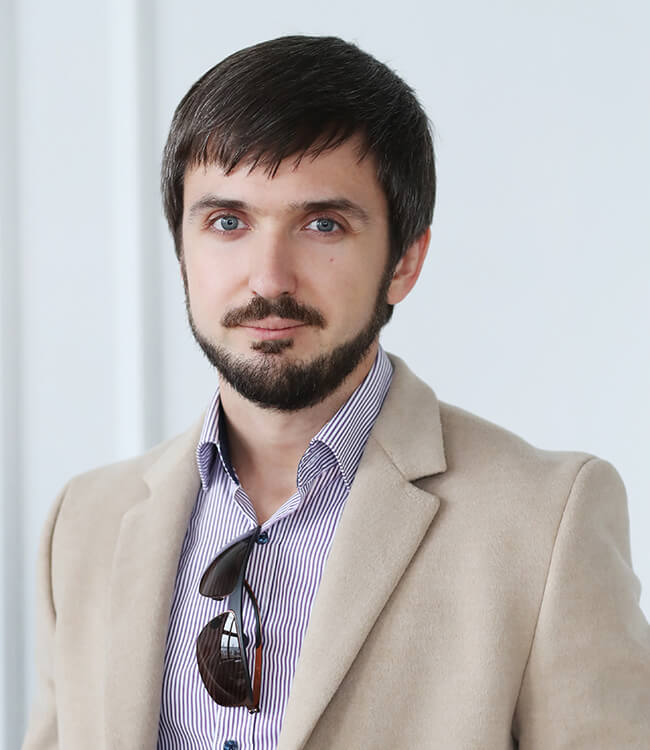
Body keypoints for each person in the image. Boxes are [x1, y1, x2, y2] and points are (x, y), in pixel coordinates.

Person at [23, 35, 649, 750]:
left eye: (323, 224)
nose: (269, 278)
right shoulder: (84, 524)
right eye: (227, 222)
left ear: (404, 261)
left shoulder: (547, 523)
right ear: (182, 248)